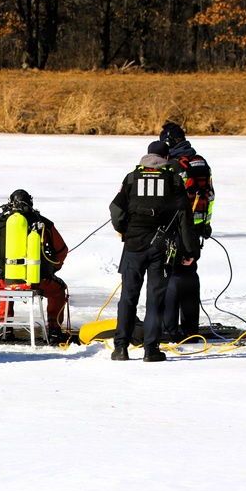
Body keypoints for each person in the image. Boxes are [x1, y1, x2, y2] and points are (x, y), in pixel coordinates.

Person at [108, 141, 193, 362]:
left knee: (128, 297)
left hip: (133, 246)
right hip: (161, 247)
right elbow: (185, 216)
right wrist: (189, 250)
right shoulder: (174, 179)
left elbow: (116, 209)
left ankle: (120, 348)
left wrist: (124, 230)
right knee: (155, 298)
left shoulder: (131, 178)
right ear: (166, 157)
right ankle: (151, 349)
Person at [0, 189, 71, 343]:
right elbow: (61, 251)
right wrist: (51, 270)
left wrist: (3, 271)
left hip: (7, 280)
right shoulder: (44, 224)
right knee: (58, 290)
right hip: (37, 279)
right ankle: (54, 330)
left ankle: (5, 329)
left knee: (2, 287)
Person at [158, 122, 216, 342]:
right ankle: (191, 329)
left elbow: (167, 200)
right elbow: (209, 196)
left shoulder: (174, 166)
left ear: (169, 142)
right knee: (190, 276)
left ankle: (170, 330)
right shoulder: (201, 162)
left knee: (172, 276)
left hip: (176, 230)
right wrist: (205, 224)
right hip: (197, 230)